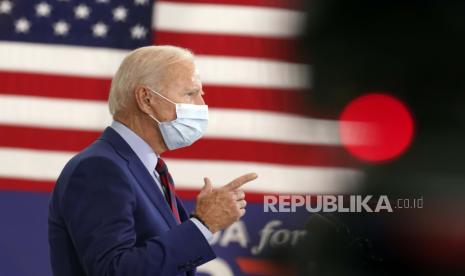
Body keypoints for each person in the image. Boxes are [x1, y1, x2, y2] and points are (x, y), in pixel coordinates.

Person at [48, 45, 258, 276]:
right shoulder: (99, 169)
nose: (200, 105)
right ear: (146, 99)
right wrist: (203, 225)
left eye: (201, 95)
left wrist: (198, 224)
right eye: (190, 93)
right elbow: (114, 271)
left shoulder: (151, 170)